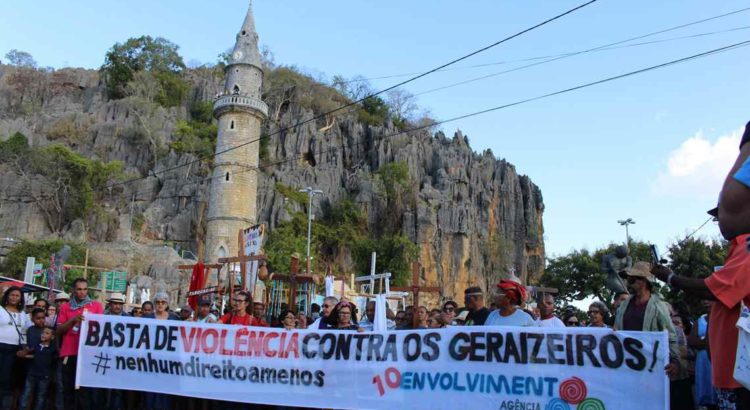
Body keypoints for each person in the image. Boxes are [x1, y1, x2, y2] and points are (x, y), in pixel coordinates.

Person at [614, 262, 680, 378]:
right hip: (626, 363)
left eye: (631, 280)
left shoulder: (658, 307)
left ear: (643, 281)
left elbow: (670, 335)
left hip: (650, 364)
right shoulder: (623, 307)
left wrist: (675, 361)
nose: (628, 284)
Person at [56, 278, 104, 410]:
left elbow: (102, 328)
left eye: (85, 289)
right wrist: (73, 320)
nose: (82, 292)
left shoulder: (96, 306)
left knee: (86, 392)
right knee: (68, 390)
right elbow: (59, 330)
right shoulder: (66, 307)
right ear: (73, 290)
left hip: (88, 355)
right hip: (69, 353)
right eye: (79, 289)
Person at [0, 286, 30, 407]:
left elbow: (24, 333)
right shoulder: (0, 310)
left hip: (13, 350)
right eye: (12, 295)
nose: (14, 297)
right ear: (7, 296)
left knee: (6, 380)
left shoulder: (23, 315)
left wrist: (25, 348)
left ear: (20, 299)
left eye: (17, 296)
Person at [18, 326, 56, 410]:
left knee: (40, 397)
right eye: (43, 332)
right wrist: (23, 353)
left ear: (52, 337)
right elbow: (28, 353)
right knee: (26, 394)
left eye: (47, 333)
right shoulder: (36, 345)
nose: (43, 334)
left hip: (44, 376)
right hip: (32, 374)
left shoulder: (52, 350)